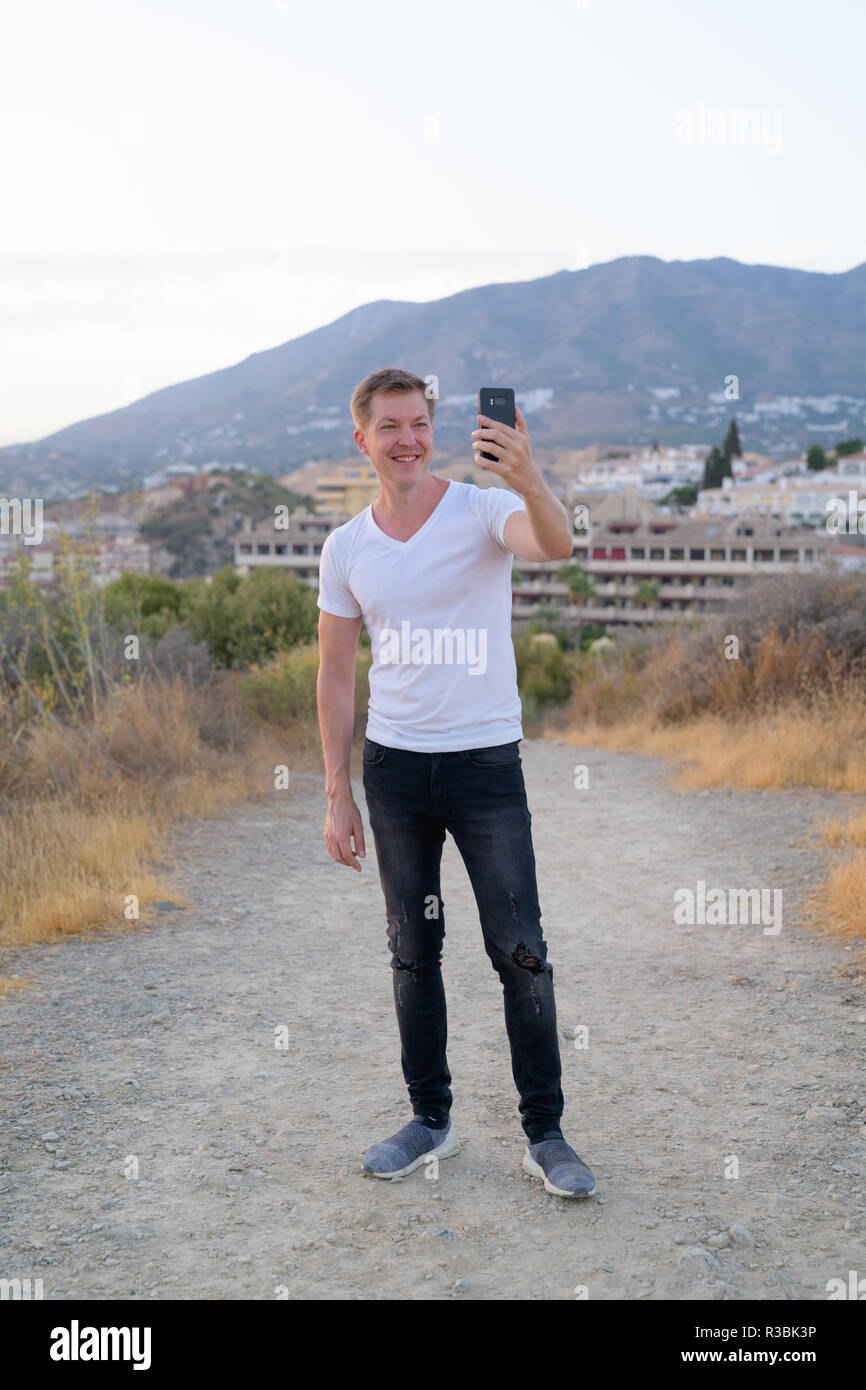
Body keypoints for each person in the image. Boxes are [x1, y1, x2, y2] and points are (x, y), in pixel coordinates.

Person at [315, 366, 595, 1198]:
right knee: (412, 954)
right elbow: (334, 677)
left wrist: (527, 474)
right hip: (395, 772)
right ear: (361, 440)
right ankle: (429, 1121)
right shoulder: (347, 547)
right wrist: (337, 789)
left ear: (433, 430)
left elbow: (555, 544)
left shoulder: (483, 509)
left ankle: (544, 1134)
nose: (407, 439)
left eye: (419, 424)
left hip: (484, 767)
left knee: (523, 954)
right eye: (389, 427)